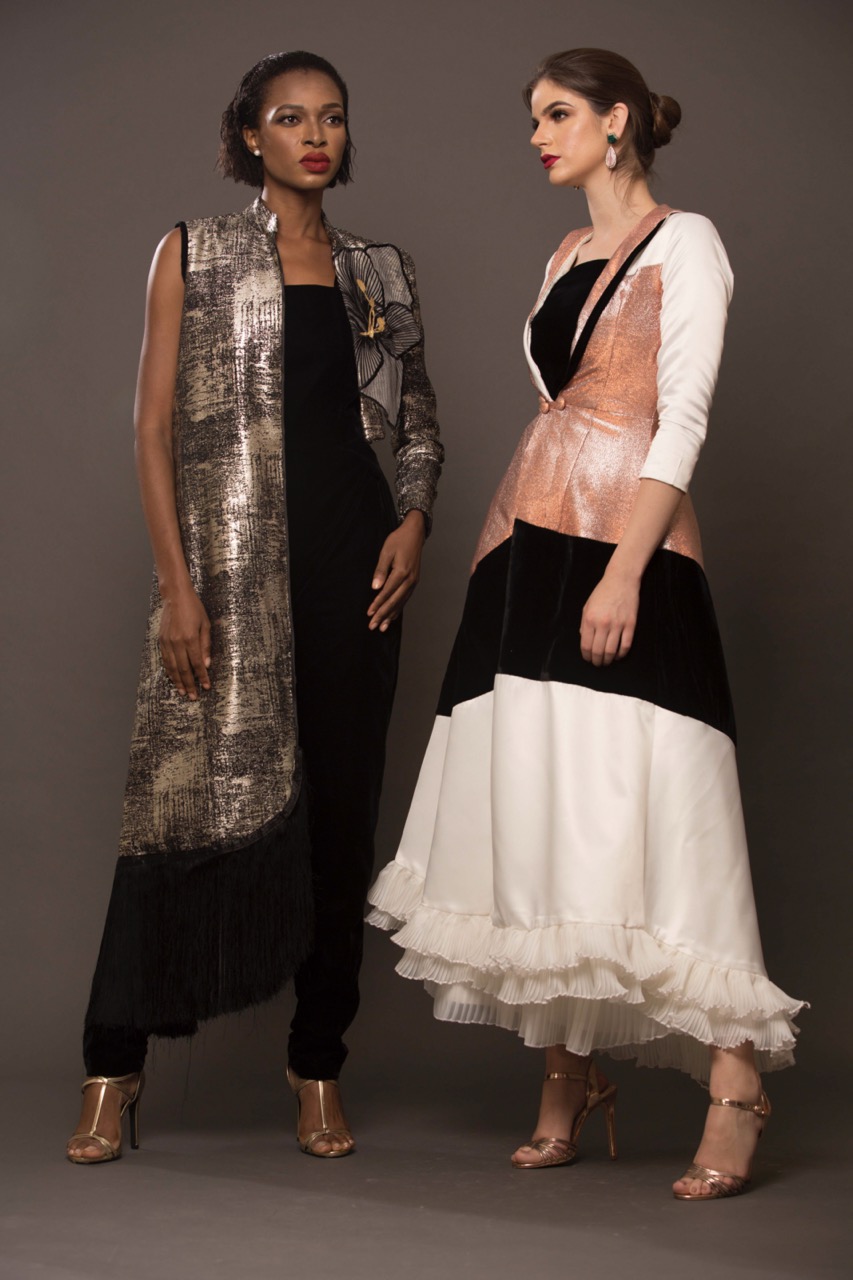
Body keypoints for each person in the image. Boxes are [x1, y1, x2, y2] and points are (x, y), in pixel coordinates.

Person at [368, 47, 803, 1199]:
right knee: (544, 796)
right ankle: (568, 1075)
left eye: (556, 114)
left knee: (652, 798)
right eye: (532, 118)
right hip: (527, 540)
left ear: (618, 122)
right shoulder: (564, 251)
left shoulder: (685, 242)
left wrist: (626, 570)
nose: (536, 136)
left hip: (623, 543)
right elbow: (560, 403)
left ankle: (735, 1079)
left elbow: (680, 417)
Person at [67, 50, 442, 1164]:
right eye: (289, 118)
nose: (314, 136)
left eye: (331, 118)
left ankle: (317, 1062)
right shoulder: (194, 249)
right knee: (179, 803)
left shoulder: (380, 268)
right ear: (249, 136)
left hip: (355, 567)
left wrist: (414, 519)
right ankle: (111, 1067)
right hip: (227, 574)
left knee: (341, 812)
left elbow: (418, 415)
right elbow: (150, 430)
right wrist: (176, 590)